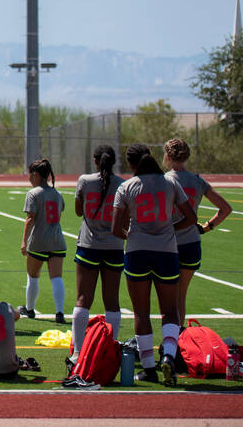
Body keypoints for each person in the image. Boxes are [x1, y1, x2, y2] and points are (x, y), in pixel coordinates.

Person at [113, 144, 196, 386]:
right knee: (170, 310)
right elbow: (190, 217)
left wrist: (132, 234)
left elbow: (116, 228)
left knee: (141, 311)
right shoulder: (170, 183)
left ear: (132, 164)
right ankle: (168, 356)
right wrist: (169, 228)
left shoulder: (127, 186)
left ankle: (149, 368)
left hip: (138, 251)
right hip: (167, 252)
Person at [163, 137, 233, 327]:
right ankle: (176, 341)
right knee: (181, 296)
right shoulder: (197, 181)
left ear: (168, 156)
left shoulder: (165, 180)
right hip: (191, 243)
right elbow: (225, 208)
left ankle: (169, 345)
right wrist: (206, 227)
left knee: (167, 298)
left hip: (168, 244)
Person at [71, 144, 125, 360]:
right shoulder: (123, 184)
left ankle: (77, 352)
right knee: (112, 300)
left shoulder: (85, 180)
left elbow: (77, 211)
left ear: (95, 161)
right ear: (113, 161)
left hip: (88, 246)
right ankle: (111, 349)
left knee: (83, 298)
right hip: (114, 247)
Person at [19, 158, 67, 323]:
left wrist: (24, 241)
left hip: (39, 241)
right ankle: (60, 312)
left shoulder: (33, 194)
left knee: (32, 276)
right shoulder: (57, 194)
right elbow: (58, 216)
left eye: (30, 174)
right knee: (56, 277)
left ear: (36, 174)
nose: (28, 178)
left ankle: (30, 309)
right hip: (57, 240)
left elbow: (30, 218)